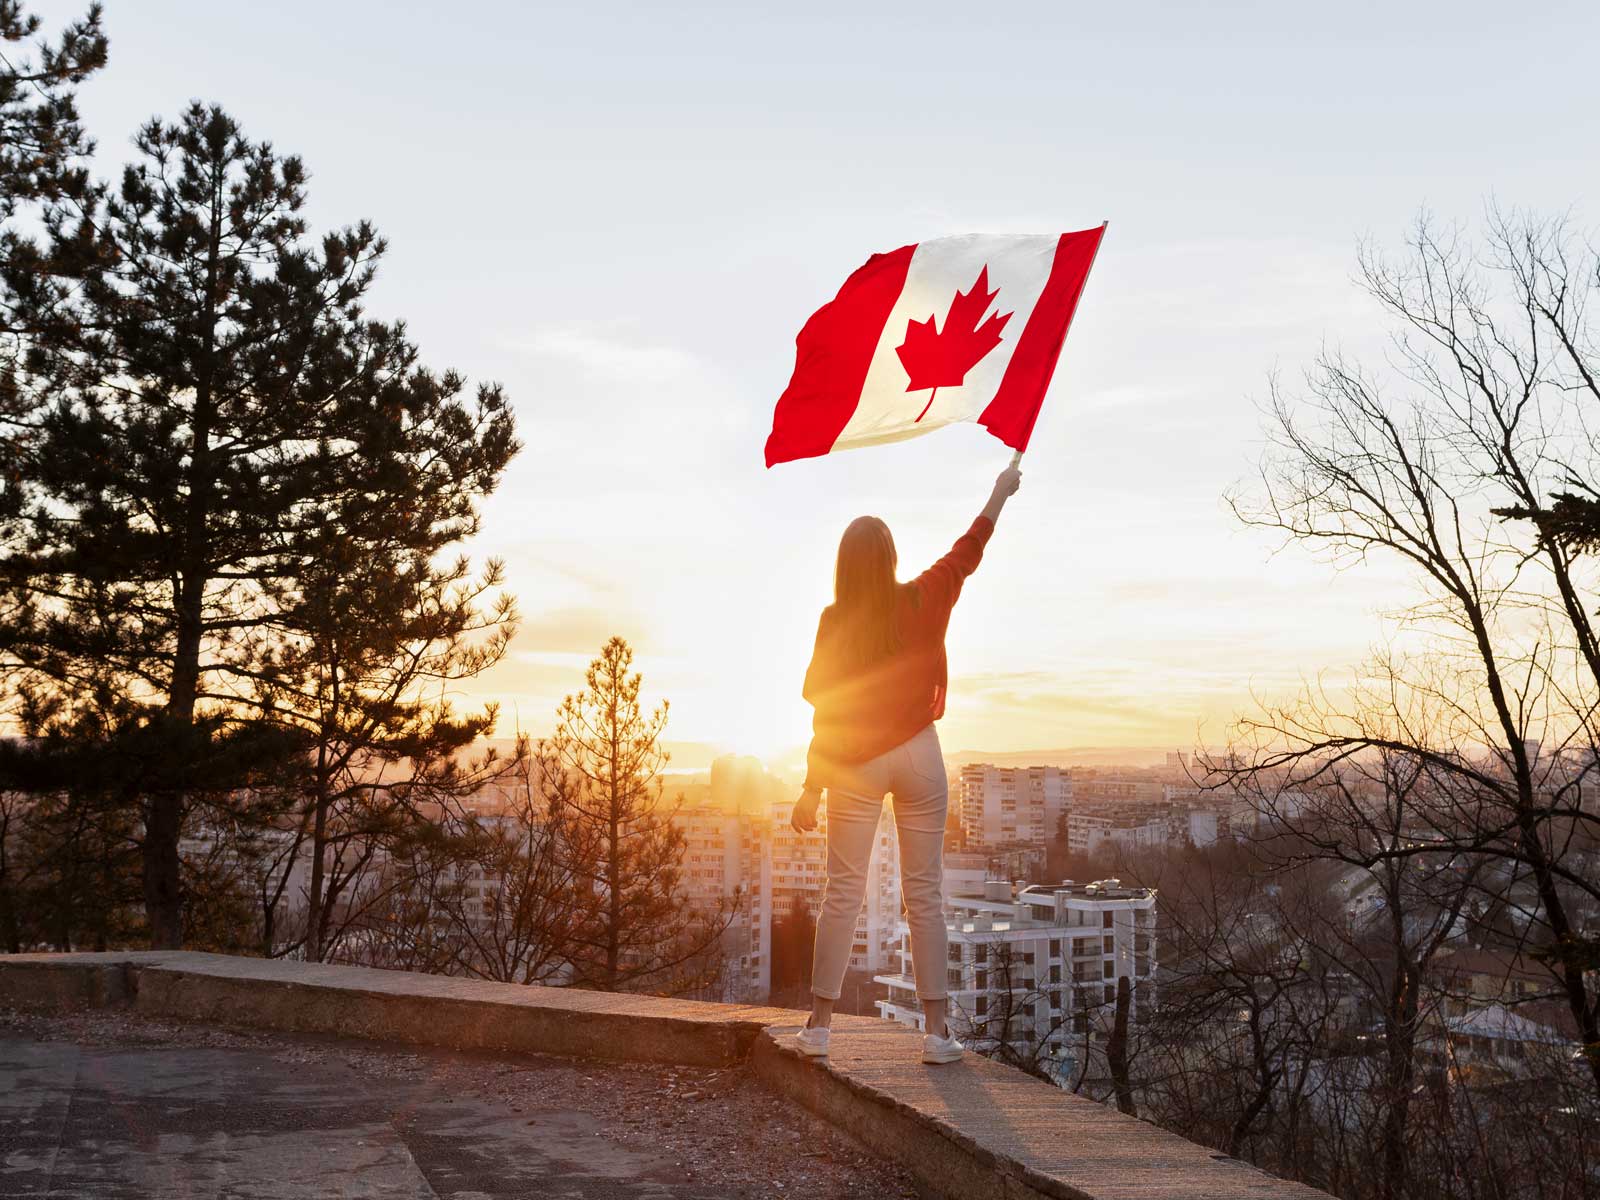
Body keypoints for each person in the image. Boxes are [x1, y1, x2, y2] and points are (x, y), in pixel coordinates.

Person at [790, 463, 1022, 1065]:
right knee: (926, 897)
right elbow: (968, 549)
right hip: (919, 756)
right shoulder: (924, 596)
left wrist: (811, 788)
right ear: (891, 558)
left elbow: (829, 713)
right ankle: (938, 1036)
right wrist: (999, 490)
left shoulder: (834, 622)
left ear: (843, 565)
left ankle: (818, 1027)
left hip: (855, 763)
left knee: (842, 893)